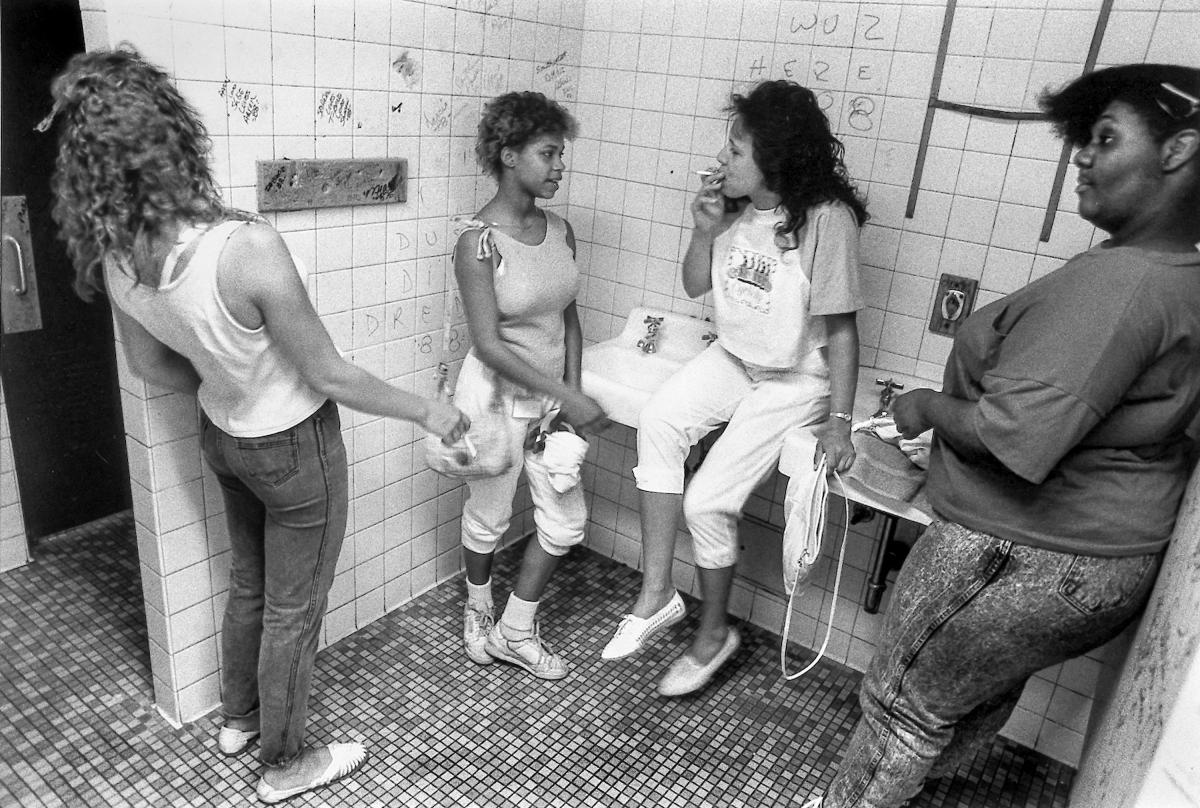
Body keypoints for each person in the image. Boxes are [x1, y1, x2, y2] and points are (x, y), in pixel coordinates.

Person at [45, 47, 470, 805]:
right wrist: (428, 408)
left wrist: (224, 374)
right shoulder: (245, 251)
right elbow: (331, 373)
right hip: (295, 446)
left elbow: (155, 369)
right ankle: (285, 762)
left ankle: (238, 718)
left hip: (224, 438)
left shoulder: (119, 258)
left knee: (251, 584)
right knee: (293, 612)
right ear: (170, 136)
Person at [814, 63, 1200, 808]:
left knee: (901, 709)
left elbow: (1015, 438)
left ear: (1180, 152)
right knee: (960, 698)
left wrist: (927, 407)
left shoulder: (1119, 283)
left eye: (1106, 138)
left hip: (1016, 552)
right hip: (1101, 561)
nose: (1082, 156)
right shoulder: (1181, 273)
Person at [601, 79, 868, 697]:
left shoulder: (827, 222)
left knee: (705, 503)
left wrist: (841, 420)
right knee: (660, 422)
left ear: (774, 160)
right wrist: (702, 229)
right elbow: (697, 286)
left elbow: (843, 331)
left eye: (737, 150)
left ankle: (713, 633)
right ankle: (658, 590)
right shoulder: (736, 209)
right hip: (732, 357)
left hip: (795, 380)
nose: (723, 159)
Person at [453, 91, 607, 681]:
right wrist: (567, 396)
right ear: (509, 154)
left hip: (549, 398)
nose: (560, 166)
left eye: (560, 153)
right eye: (548, 153)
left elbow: (568, 313)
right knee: (488, 516)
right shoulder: (477, 243)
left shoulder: (561, 230)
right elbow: (489, 343)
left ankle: (517, 628)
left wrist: (567, 394)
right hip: (494, 397)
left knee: (565, 521)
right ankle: (479, 614)